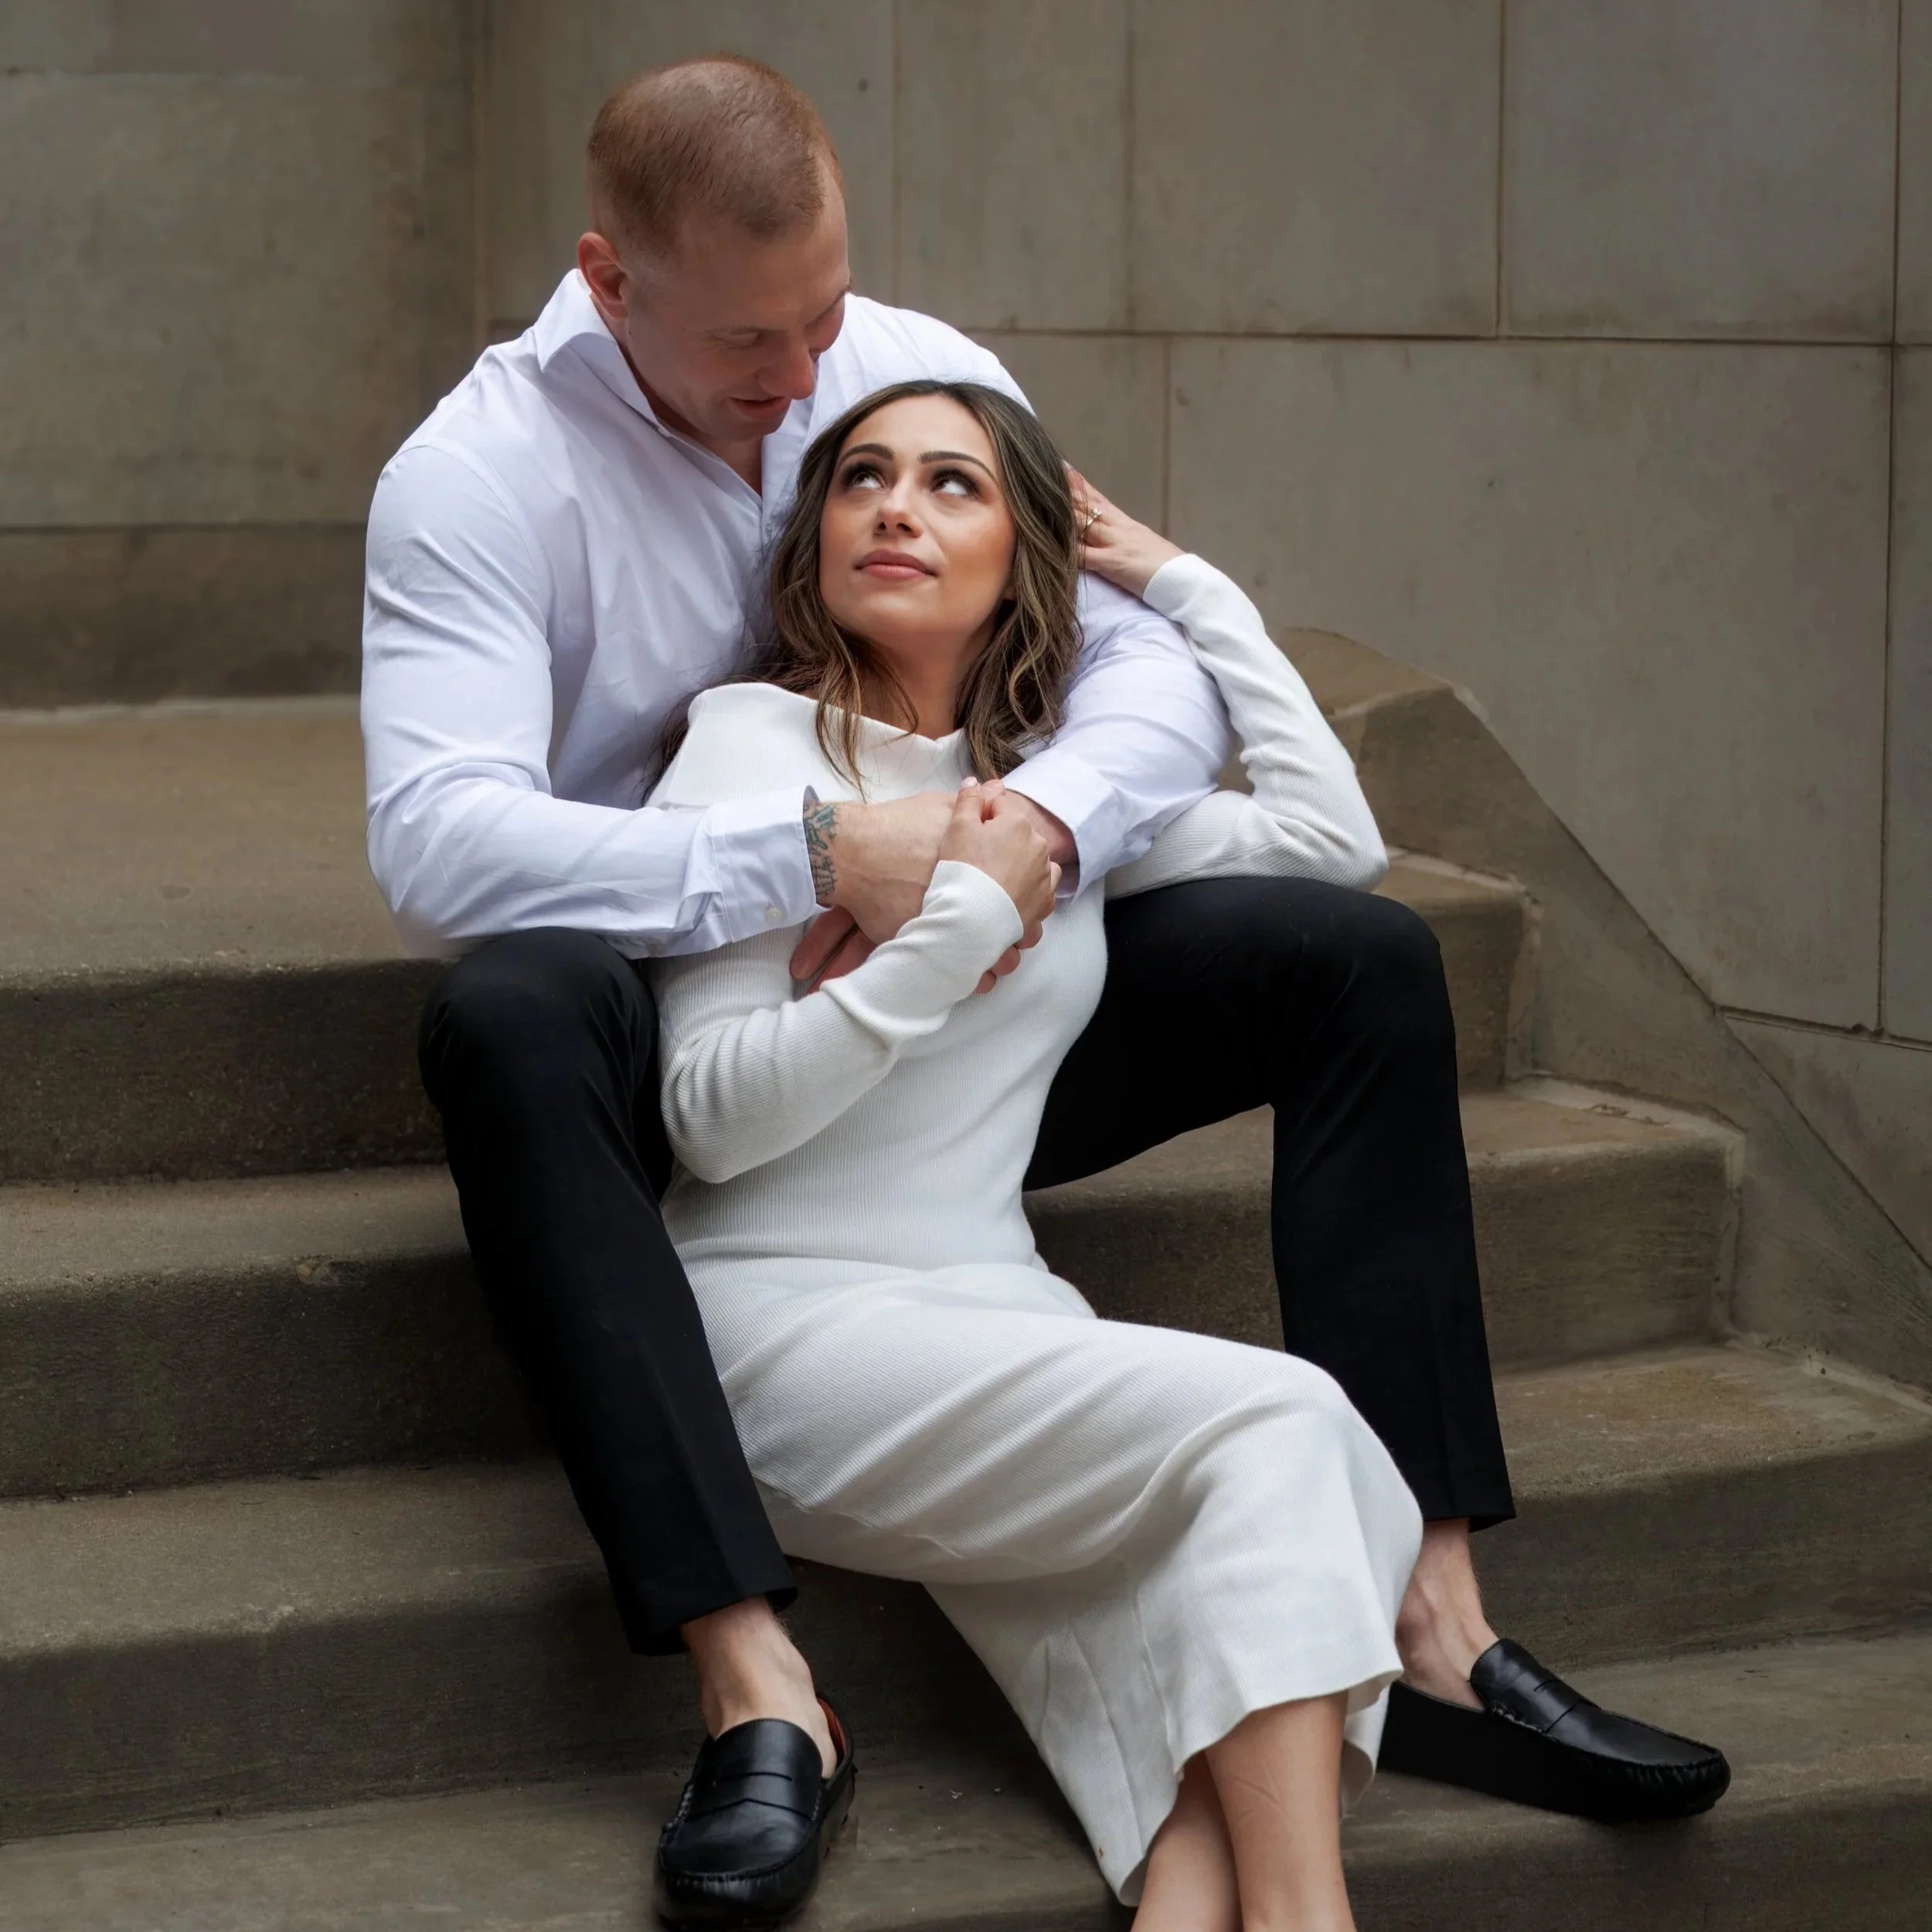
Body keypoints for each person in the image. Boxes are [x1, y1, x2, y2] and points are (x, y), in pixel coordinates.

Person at [359, 54, 1728, 1927]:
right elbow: (442, 845)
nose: (816, 384)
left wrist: (1033, 835)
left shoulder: (882, 362)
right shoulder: (485, 479)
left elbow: (1149, 682)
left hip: (957, 1052)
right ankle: (756, 1679)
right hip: (692, 982)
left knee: (1358, 958)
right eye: (764, 349)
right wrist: (840, 866)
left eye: (828, 320)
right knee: (507, 1016)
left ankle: (1433, 1616)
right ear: (609, 283)